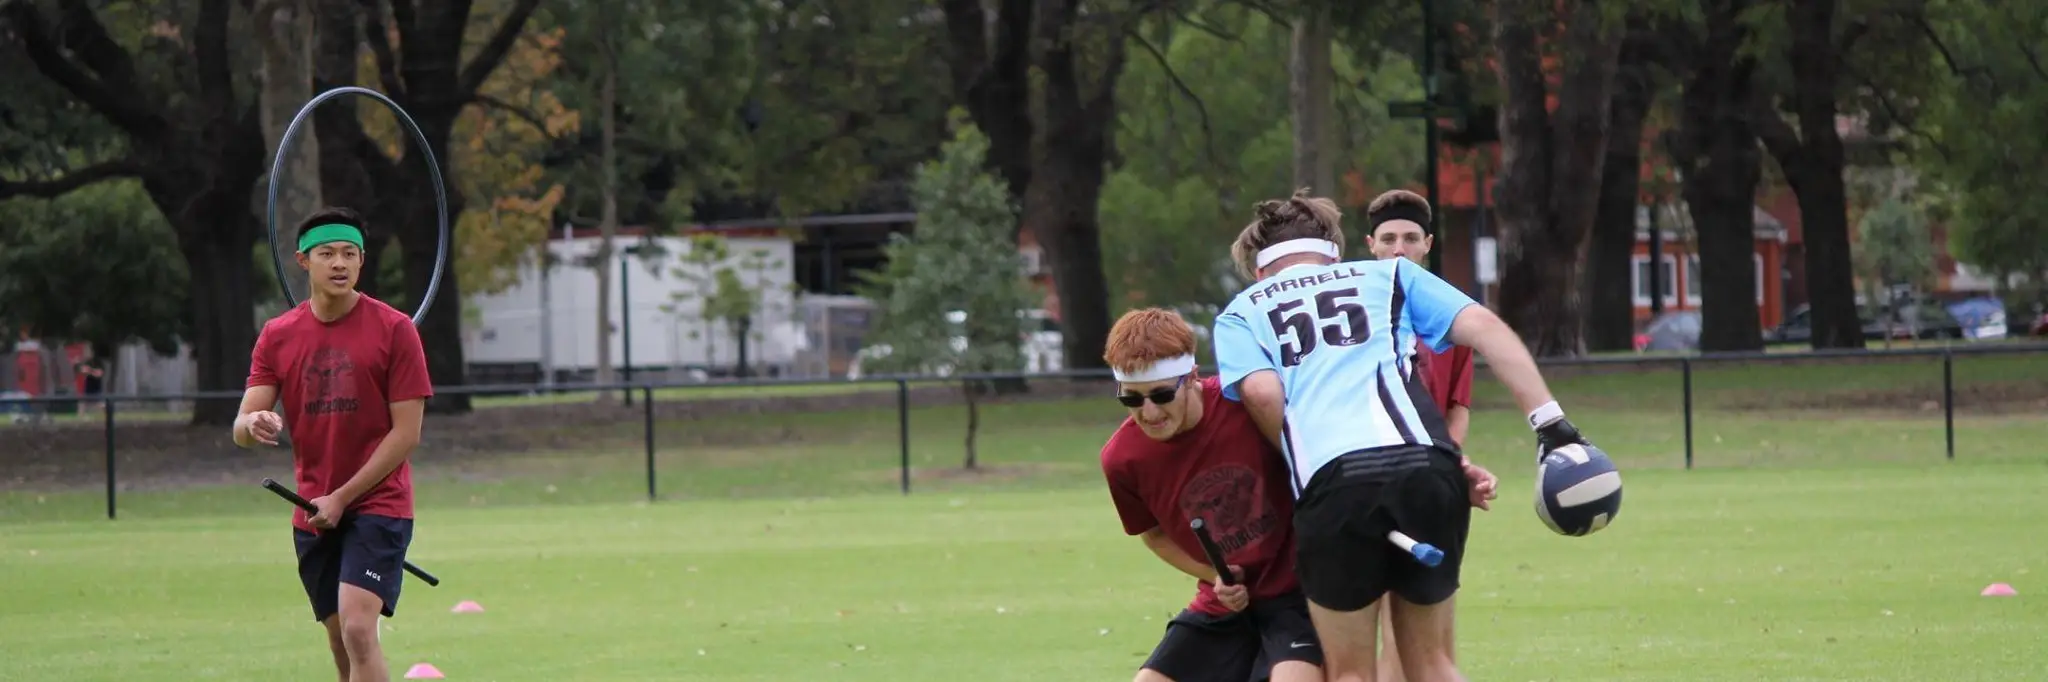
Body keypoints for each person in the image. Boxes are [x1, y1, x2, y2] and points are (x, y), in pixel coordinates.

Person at [1210, 189, 1592, 682]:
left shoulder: (1240, 312)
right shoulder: (1389, 273)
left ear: (1260, 270)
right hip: (1426, 468)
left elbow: (1262, 396)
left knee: (1351, 673)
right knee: (1432, 663)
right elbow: (1486, 328)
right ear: (1334, 253)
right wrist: (1550, 425)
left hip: (1335, 486)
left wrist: (1304, 460)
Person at [232, 207, 434, 682]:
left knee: (360, 631)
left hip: (379, 503)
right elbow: (240, 425)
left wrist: (344, 498)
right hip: (313, 506)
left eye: (350, 253)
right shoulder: (278, 336)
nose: (339, 263)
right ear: (304, 261)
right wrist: (253, 423)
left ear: (362, 262)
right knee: (341, 643)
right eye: (327, 253)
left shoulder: (395, 329)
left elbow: (407, 433)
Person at [1097, 307, 1324, 682]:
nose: (1148, 412)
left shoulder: (1248, 404)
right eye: (1131, 399)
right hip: (1223, 607)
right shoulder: (1121, 459)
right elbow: (1154, 535)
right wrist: (1213, 575)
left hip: (1298, 597)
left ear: (1190, 378)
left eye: (1160, 394)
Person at [1362, 189, 1487, 682]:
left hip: (1430, 477)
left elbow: (1457, 405)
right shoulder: (1353, 316)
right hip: (1367, 476)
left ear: (1428, 244)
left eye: (1410, 238)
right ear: (1370, 244)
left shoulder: (1450, 313)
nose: (1399, 248)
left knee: (1434, 624)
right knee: (1392, 619)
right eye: (1389, 238)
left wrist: (1449, 460)